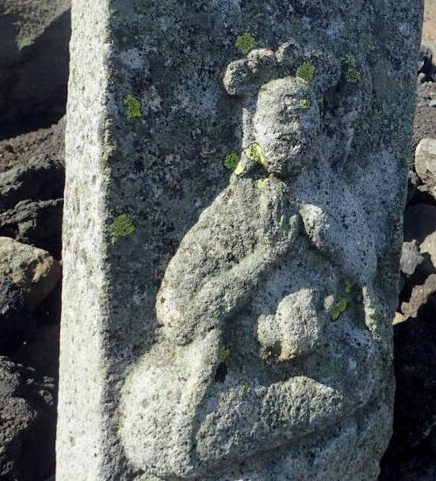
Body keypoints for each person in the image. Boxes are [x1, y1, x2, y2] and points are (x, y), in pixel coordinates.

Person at [120, 42, 398, 480]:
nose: (294, 128)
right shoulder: (238, 206)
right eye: (280, 116)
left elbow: (367, 270)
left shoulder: (328, 196)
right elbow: (177, 315)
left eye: (304, 115)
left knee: (365, 367)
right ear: (253, 128)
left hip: (319, 361)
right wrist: (263, 259)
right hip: (236, 371)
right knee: (151, 418)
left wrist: (332, 242)